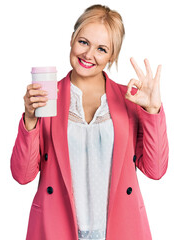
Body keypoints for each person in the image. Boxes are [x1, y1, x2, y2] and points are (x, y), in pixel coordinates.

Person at [10, 4, 169, 240]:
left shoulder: (130, 99)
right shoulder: (47, 97)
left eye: (101, 49)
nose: (88, 55)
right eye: (83, 42)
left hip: (121, 229)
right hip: (56, 229)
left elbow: (156, 171)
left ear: (112, 55)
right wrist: (30, 119)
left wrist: (152, 111)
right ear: (72, 38)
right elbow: (22, 175)